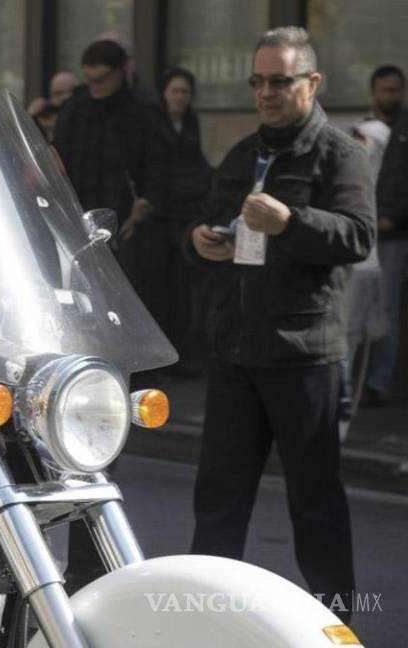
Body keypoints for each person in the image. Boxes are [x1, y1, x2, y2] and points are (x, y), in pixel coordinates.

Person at [186, 27, 374, 622]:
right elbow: (213, 221)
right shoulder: (243, 153)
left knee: (316, 507)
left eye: (280, 81)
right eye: (258, 81)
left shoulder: (339, 154)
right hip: (236, 353)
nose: (266, 92)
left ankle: (337, 625)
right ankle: (202, 623)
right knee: (218, 503)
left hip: (304, 355)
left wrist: (291, 221)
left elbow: (358, 236)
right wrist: (201, 240)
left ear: (312, 83)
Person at [131, 67, 211, 374]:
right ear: (164, 94)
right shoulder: (154, 125)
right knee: (157, 288)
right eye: (174, 91)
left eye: (185, 92)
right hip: (159, 216)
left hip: (185, 214)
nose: (180, 97)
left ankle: (180, 354)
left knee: (182, 290)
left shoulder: (190, 124)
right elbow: (152, 167)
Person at [53, 40, 165, 238]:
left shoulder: (142, 110)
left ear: (121, 71)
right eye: (89, 79)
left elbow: (156, 162)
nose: (94, 86)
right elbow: (59, 156)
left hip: (127, 215)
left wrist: (148, 199)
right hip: (78, 210)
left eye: (101, 79)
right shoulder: (73, 108)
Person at [362, 66, 407, 407]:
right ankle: (363, 380)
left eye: (395, 90)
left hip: (396, 234)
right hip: (367, 232)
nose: (389, 96)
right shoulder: (363, 130)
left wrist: (394, 217)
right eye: (384, 90)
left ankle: (378, 383)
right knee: (366, 308)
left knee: (387, 310)